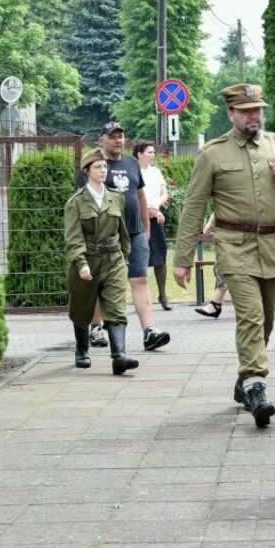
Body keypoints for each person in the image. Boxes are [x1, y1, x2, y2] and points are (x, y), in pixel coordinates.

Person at [173, 84, 275, 428]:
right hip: (234, 246)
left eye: (258, 109)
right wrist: (183, 257)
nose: (254, 116)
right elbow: (194, 206)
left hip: (273, 245)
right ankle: (255, 385)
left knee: (267, 319)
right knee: (250, 315)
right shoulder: (213, 154)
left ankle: (241, 381)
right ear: (231, 114)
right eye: (247, 111)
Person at [76, 122, 170, 352]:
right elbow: (82, 201)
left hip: (135, 232)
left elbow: (140, 196)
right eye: (113, 137)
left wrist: (146, 229)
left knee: (139, 279)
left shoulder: (131, 163)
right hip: (105, 236)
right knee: (99, 282)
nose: (119, 140)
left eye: (121, 136)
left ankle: (149, 332)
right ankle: (97, 328)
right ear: (101, 140)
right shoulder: (93, 164)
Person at [64, 149, 138, 375]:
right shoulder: (75, 202)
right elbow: (73, 237)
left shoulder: (116, 197)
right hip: (88, 260)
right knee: (82, 307)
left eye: (105, 167)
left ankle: (119, 356)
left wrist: (125, 257)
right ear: (87, 171)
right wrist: (81, 263)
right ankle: (81, 350)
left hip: (113, 259)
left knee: (116, 307)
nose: (103, 170)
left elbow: (122, 231)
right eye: (98, 167)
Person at [135, 140, 172, 311]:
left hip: (155, 216)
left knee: (160, 257)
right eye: (149, 152)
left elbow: (165, 193)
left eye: (153, 152)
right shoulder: (133, 170)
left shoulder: (156, 172)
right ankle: (142, 298)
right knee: (139, 258)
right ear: (139, 154)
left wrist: (156, 207)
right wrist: (149, 208)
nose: (153, 154)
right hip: (138, 218)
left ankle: (163, 294)